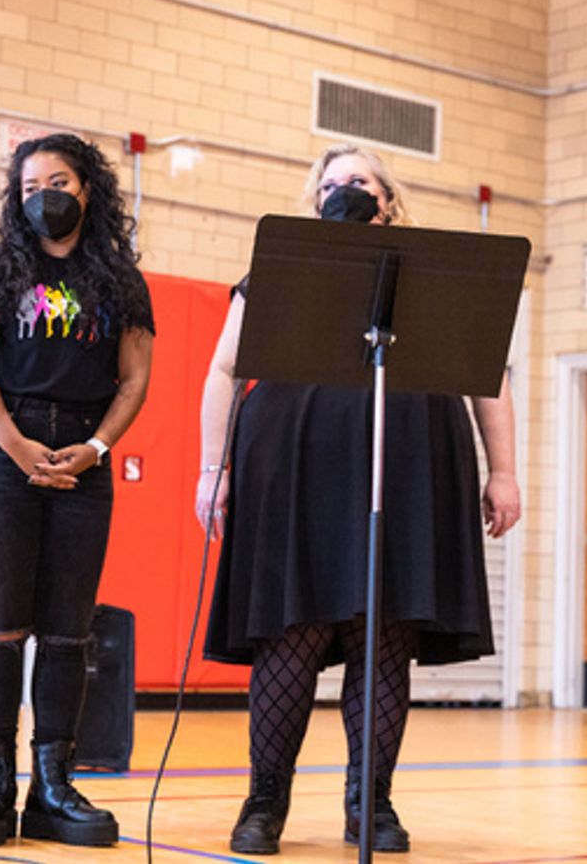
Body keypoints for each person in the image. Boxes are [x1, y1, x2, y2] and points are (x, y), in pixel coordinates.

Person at [197, 144, 522, 855]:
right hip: (294, 465)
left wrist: (505, 471)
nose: (344, 190)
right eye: (332, 182)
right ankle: (265, 799)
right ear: (314, 200)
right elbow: (224, 367)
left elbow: (488, 376)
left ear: (389, 200)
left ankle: (369, 801)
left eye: (360, 182)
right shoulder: (278, 271)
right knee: (293, 630)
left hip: (407, 465)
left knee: (385, 637)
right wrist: (209, 467)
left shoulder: (432, 278)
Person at [0, 133, 154, 848]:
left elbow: (134, 377)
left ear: (88, 189)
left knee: (68, 631)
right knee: (0, 628)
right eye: (32, 185)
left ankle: (53, 786)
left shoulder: (120, 279)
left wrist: (96, 447)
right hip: (2, 453)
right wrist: (18, 446)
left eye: (59, 181)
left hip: (82, 459)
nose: (46, 196)